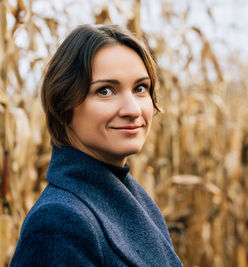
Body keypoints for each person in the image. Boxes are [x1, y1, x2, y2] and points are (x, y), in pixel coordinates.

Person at [11, 24, 183, 266]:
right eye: (105, 91)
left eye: (140, 88)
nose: (133, 110)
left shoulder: (136, 200)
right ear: (64, 103)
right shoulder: (58, 223)